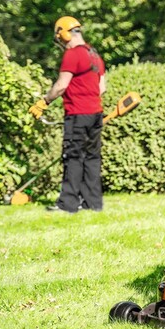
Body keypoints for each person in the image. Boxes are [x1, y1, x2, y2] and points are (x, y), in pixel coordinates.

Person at [28, 16, 106, 213]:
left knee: (73, 157)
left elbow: (61, 85)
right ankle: (92, 204)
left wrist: (44, 101)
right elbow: (101, 88)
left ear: (63, 33)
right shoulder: (94, 55)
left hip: (78, 114)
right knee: (92, 158)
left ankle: (68, 204)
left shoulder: (72, 54)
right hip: (95, 114)